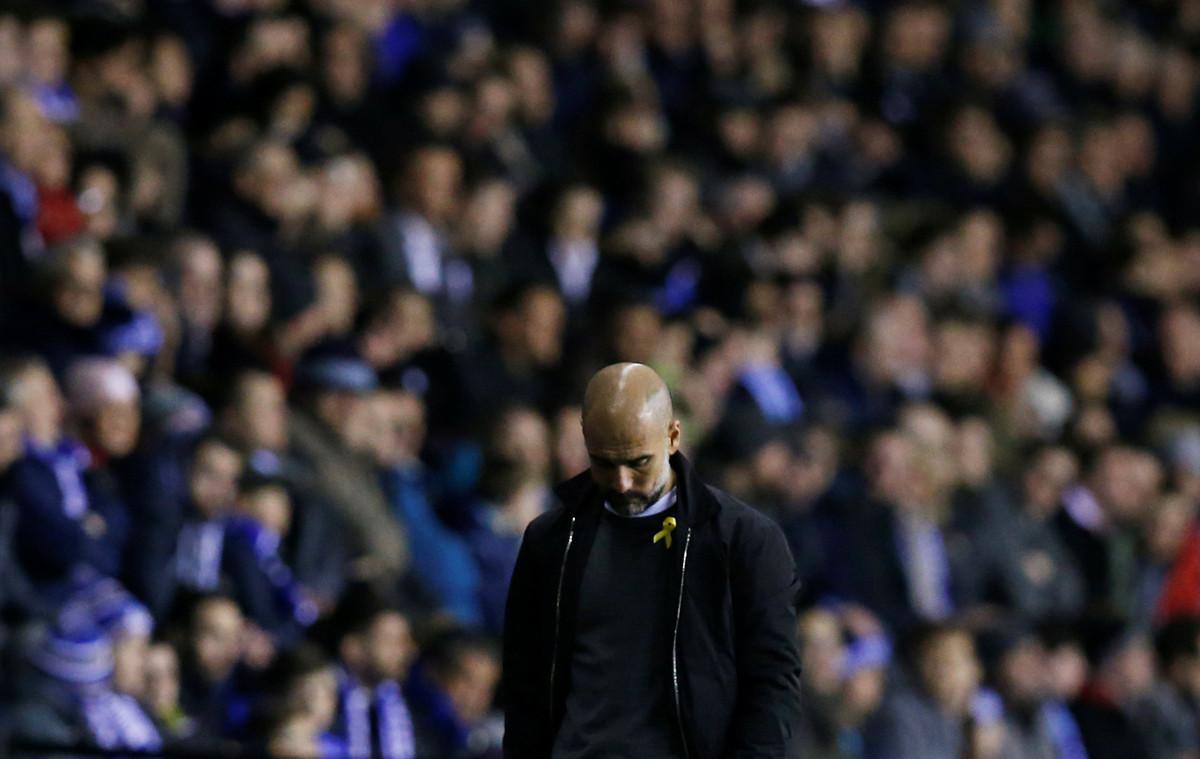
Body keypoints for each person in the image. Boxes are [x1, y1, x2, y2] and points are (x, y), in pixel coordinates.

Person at [502, 362, 802, 757]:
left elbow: (772, 683)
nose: (622, 482)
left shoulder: (744, 541)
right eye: (605, 463)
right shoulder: (551, 541)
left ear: (674, 436)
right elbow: (525, 682)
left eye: (638, 462)